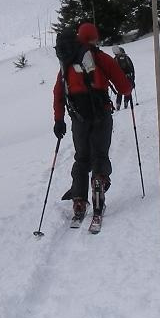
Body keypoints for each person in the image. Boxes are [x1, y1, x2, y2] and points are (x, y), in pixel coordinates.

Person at [52, 22, 133, 221]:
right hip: (101, 115)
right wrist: (128, 85)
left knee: (81, 158)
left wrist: (59, 120)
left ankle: (79, 200)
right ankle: (99, 180)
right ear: (94, 38)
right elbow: (124, 89)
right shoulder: (102, 59)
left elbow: (58, 93)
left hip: (78, 118)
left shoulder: (67, 63)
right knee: (100, 154)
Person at [112, 46, 135, 110]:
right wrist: (133, 78)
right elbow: (132, 69)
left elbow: (113, 69)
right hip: (128, 76)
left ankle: (118, 103)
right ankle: (126, 101)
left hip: (119, 77)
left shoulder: (115, 59)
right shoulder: (126, 58)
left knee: (120, 90)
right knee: (128, 89)